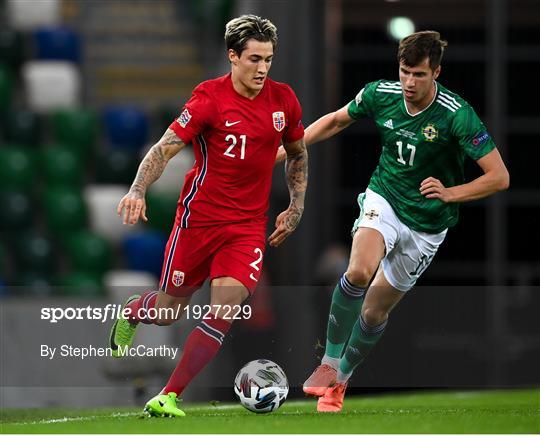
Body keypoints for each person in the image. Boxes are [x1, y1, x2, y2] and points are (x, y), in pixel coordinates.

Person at [277, 30, 509, 412]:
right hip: (384, 198)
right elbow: (336, 121)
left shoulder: (457, 115)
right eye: (404, 72)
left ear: (436, 71)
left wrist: (452, 192)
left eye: (419, 74)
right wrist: (287, 149)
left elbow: (499, 177)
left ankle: (341, 381)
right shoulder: (379, 94)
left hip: (427, 225)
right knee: (357, 272)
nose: (409, 82)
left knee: (373, 312)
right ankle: (328, 363)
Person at [110, 14, 308, 418]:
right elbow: (164, 148)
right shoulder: (208, 98)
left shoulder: (283, 99)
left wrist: (296, 204)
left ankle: (168, 396)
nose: (262, 68)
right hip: (198, 221)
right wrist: (137, 189)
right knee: (167, 312)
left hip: (246, 227)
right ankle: (134, 309)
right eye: (254, 59)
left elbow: (298, 152)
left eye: (268, 59)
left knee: (225, 307)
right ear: (233, 56)